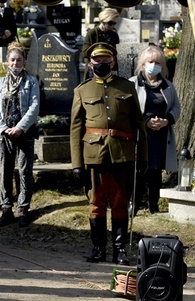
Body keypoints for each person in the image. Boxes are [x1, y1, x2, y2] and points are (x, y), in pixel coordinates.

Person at [70, 42, 147, 265]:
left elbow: (139, 125)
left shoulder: (126, 87)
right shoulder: (82, 90)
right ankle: (98, 248)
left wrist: (142, 156)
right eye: (98, 61)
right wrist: (76, 163)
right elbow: (76, 129)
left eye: (106, 61)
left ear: (112, 62)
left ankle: (120, 249)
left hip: (122, 153)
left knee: (121, 201)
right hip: (94, 154)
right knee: (97, 201)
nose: (102, 64)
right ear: (91, 63)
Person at [0, 42, 39, 227]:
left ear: (24, 61)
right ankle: (6, 208)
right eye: (12, 60)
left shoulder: (31, 82)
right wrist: (2, 128)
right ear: (7, 62)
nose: (15, 63)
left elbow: (34, 107)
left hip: (24, 132)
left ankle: (24, 208)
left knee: (25, 170)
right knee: (6, 171)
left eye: (19, 60)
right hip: (4, 134)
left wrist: (20, 127)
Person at [129, 45, 180, 215]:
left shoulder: (168, 86)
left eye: (158, 62)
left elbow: (176, 108)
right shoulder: (133, 83)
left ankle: (153, 205)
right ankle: (134, 205)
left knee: (155, 172)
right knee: (138, 171)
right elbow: (128, 109)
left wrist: (166, 121)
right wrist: (145, 122)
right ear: (143, 64)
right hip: (140, 135)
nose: (154, 65)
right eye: (151, 61)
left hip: (160, 136)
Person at [81, 8, 120, 81]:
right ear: (103, 21)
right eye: (110, 23)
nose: (112, 26)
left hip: (110, 69)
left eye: (114, 23)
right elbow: (85, 53)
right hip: (94, 70)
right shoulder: (92, 33)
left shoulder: (114, 35)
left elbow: (117, 53)